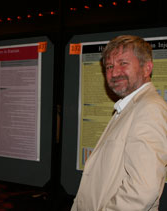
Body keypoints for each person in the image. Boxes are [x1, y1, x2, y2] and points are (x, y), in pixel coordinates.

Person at [71, 35, 167, 210]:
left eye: (123, 63)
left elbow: (142, 190)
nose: (114, 73)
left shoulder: (149, 109)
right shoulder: (130, 107)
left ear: (147, 68)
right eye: (109, 66)